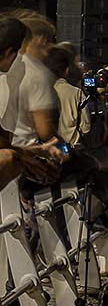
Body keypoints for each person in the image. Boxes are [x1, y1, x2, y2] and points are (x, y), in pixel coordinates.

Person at [0, 16, 63, 188]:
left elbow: (3, 137)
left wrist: (27, 154)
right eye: (20, 53)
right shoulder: (36, 74)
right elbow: (45, 131)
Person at [46, 45, 89, 147]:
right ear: (67, 70)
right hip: (71, 150)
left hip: (45, 150)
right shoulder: (76, 93)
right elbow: (86, 127)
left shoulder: (38, 90)